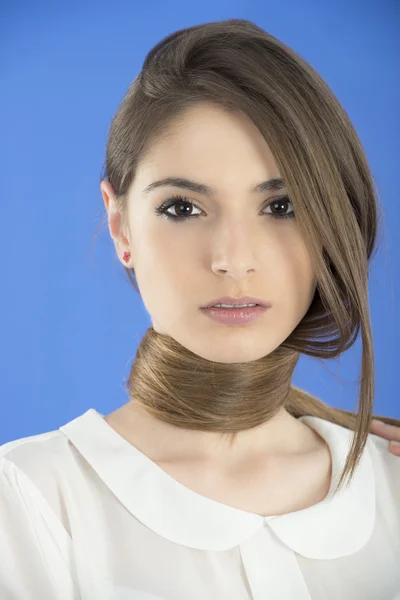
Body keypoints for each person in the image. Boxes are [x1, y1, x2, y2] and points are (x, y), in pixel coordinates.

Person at [1, 18, 399, 600]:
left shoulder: (389, 482)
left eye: (282, 205)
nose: (233, 260)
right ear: (120, 225)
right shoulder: (28, 499)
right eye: (183, 208)